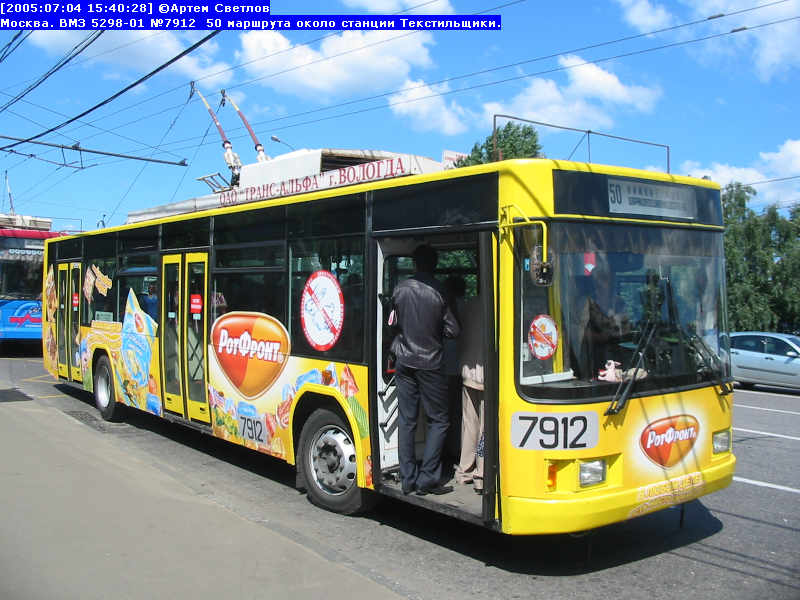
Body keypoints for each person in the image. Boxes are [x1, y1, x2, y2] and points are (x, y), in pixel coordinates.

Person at [391, 245, 460, 496]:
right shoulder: (440, 291)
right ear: (435, 265)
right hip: (431, 363)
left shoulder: (400, 288)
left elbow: (392, 321)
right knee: (439, 420)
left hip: (404, 360)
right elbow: (453, 330)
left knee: (407, 420)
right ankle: (427, 479)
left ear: (415, 264)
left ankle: (408, 478)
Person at [454, 292, 485, 493]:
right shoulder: (498, 303)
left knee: (469, 423)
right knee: (485, 427)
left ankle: (465, 470)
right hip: (488, 373)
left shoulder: (468, 304)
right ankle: (481, 475)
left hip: (468, 371)